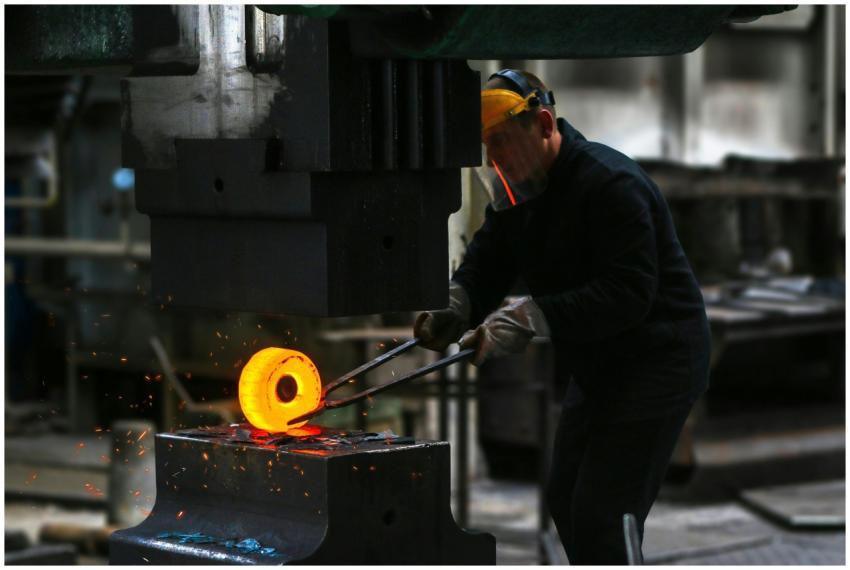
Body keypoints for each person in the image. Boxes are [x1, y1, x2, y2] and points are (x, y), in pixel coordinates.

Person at [413, 69, 711, 565]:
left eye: (502, 142)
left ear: (544, 123)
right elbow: (491, 257)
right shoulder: (520, 191)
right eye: (487, 149)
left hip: (659, 362)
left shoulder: (611, 184)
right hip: (601, 365)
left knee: (605, 511)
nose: (496, 161)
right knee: (565, 496)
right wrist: (458, 302)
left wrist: (530, 316)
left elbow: (628, 293)